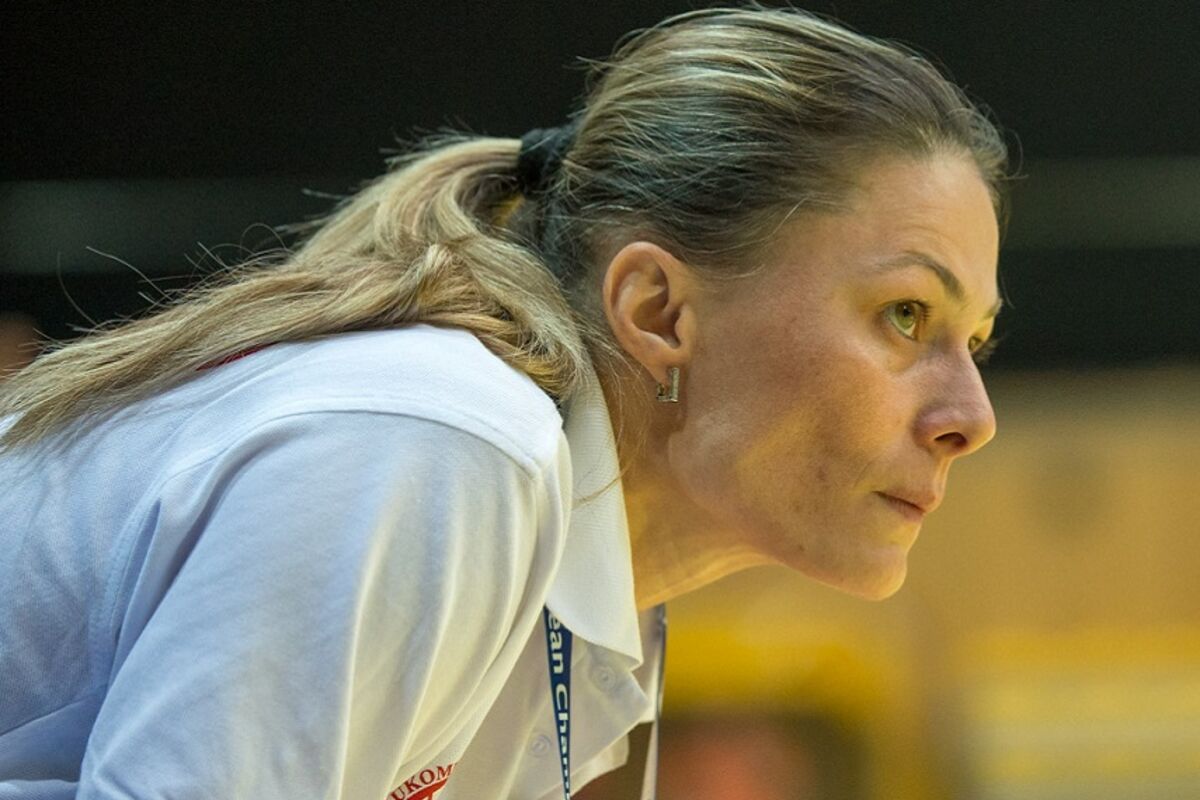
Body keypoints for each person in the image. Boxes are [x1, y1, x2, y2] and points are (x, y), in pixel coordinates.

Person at [0, 6, 1007, 799]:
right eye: (905, 314)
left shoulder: (580, 600)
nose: (971, 414)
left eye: (975, 341)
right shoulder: (442, 443)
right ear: (658, 311)